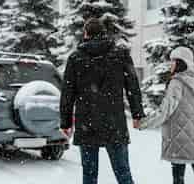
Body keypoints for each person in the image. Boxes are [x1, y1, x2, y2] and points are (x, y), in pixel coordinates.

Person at [60, 18, 145, 184]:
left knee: (89, 175)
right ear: (104, 34)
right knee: (123, 173)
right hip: (114, 123)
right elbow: (133, 87)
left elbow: (67, 94)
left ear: (86, 34)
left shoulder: (75, 59)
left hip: (87, 123)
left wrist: (66, 123)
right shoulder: (121, 55)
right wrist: (137, 114)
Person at [140, 47, 194, 184]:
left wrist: (144, 123)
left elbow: (165, 111)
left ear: (182, 63)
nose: (171, 64)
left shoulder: (177, 82)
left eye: (174, 61)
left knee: (178, 178)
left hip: (180, 139)